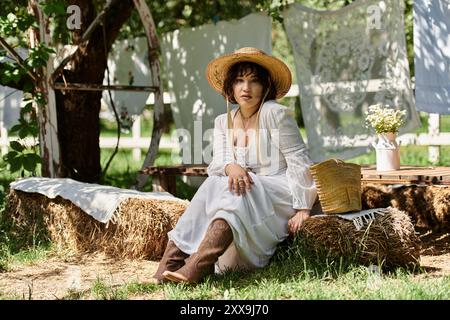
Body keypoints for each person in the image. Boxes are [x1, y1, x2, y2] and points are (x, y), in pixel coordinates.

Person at [152, 47, 317, 285]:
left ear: (266, 86)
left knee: (237, 187)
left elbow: (299, 159)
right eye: (239, 81)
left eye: (253, 81)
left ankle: (196, 267)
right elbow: (219, 161)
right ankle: (169, 265)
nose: (246, 88)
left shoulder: (275, 114)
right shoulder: (223, 121)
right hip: (243, 191)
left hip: (279, 190)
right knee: (216, 183)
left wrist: (303, 208)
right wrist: (231, 166)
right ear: (230, 87)